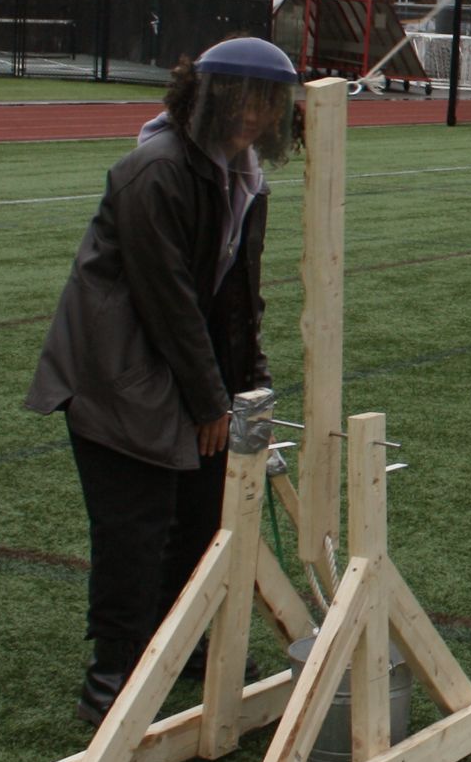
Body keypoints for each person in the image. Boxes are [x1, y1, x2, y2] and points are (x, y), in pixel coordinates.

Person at [25, 36, 300, 726]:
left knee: (206, 515)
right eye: (238, 103)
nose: (251, 118)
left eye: (265, 105)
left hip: (179, 366)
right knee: (134, 527)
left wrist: (250, 393)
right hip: (115, 373)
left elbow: (238, 296)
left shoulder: (241, 177)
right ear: (201, 100)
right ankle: (112, 676)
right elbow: (167, 298)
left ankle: (195, 644)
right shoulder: (154, 171)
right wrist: (210, 402)